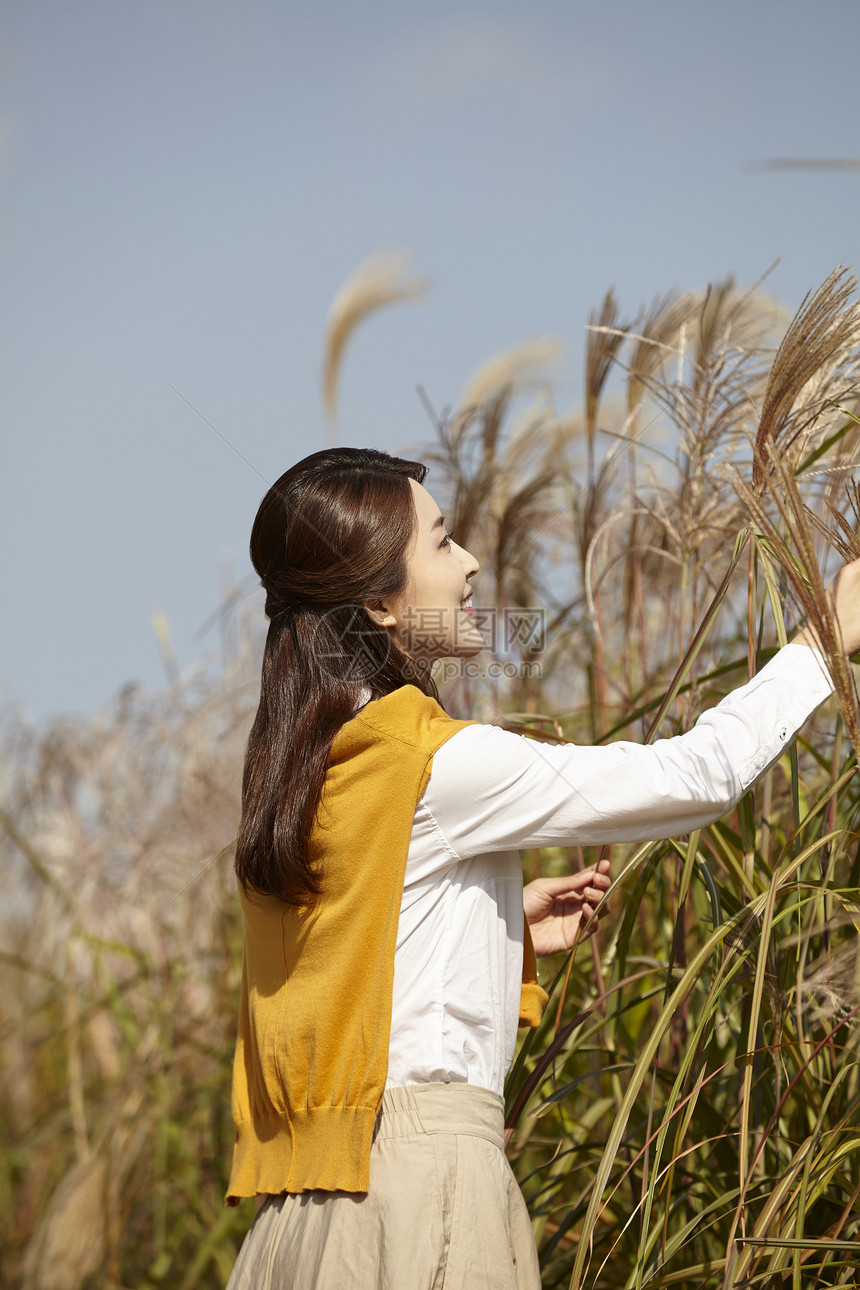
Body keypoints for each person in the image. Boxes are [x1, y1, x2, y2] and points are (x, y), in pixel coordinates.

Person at [223, 446, 859, 1290]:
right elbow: (695, 777)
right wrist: (824, 640)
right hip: (422, 1188)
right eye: (442, 543)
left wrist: (496, 927)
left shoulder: (310, 763)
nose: (471, 563)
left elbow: (341, 949)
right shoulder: (434, 759)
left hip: (301, 1221)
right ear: (378, 601)